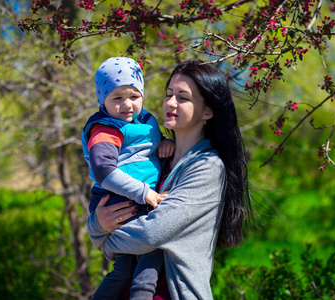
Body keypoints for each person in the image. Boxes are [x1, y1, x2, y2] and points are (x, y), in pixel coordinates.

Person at [87, 59, 254, 299]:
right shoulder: (155, 158)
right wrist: (97, 223)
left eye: (183, 97)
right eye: (168, 94)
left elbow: (151, 234)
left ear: (207, 111)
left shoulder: (207, 167)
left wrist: (103, 238)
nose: (170, 103)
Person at [81, 57, 174, 299]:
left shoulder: (144, 121)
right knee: (148, 257)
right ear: (103, 101)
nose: (127, 105)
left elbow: (143, 146)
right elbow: (104, 170)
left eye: (134, 96)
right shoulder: (106, 128)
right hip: (117, 199)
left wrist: (165, 142)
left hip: (136, 200)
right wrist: (145, 193)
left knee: (124, 270)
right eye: (117, 98)